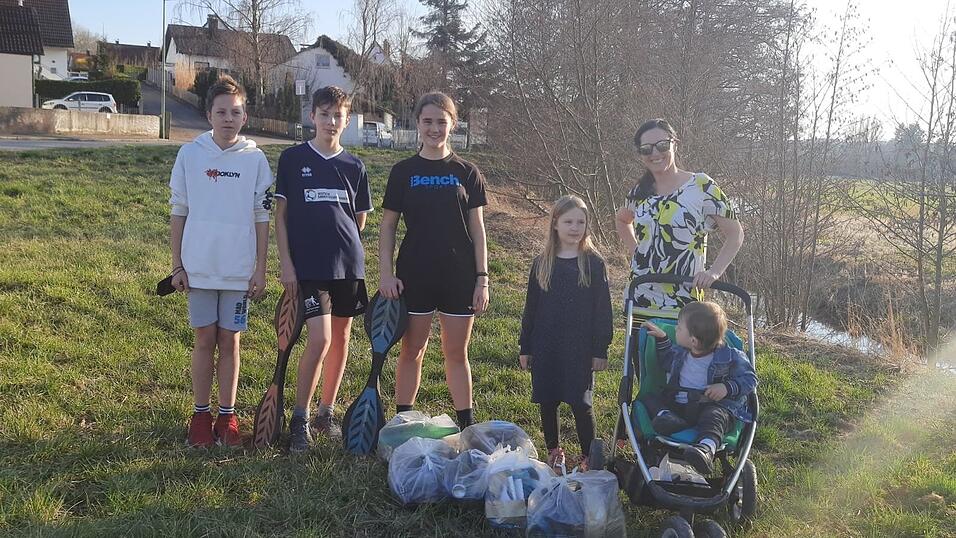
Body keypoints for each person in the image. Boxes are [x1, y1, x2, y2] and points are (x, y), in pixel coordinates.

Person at [169, 75, 273, 447]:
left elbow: (262, 217)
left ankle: (227, 417)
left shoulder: (256, 159)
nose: (228, 118)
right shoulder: (190, 154)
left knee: (230, 341)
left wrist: (260, 268)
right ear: (208, 115)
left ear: (244, 116)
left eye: (236, 112)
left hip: (239, 273)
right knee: (203, 340)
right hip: (198, 269)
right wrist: (177, 265)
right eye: (221, 112)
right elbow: (179, 211)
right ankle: (200, 416)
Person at [379, 91, 489, 429]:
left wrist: (482, 278)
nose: (434, 128)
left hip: (459, 277)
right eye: (428, 121)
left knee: (457, 355)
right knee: (412, 351)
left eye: (442, 122)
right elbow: (387, 228)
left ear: (453, 124)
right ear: (417, 124)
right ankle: (401, 424)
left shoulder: (467, 172)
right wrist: (385, 274)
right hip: (414, 275)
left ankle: (467, 427)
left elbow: (478, 228)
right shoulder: (403, 171)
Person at [274, 86, 372, 452]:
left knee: (342, 339)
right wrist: (287, 264)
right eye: (325, 114)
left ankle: (325, 413)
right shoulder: (292, 159)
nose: (331, 122)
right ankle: (299, 418)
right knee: (321, 339)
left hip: (348, 266)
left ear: (347, 120)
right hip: (309, 269)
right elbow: (280, 217)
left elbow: (358, 221)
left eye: (338, 116)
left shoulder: (354, 166)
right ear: (312, 116)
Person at [519, 195, 613, 471]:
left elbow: (603, 311)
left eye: (580, 222)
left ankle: (588, 455)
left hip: (579, 348)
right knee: (548, 400)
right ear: (555, 224)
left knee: (581, 402)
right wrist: (526, 346)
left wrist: (600, 349)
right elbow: (531, 309)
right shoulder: (542, 263)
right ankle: (554, 450)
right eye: (568, 221)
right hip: (545, 344)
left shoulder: (594, 264)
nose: (575, 227)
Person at [615, 118, 744, 317]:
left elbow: (735, 234)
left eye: (662, 145)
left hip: (685, 303)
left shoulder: (702, 186)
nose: (655, 153)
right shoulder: (639, 191)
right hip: (640, 296)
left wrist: (713, 272)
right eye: (647, 149)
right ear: (641, 154)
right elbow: (622, 220)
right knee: (640, 349)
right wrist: (636, 252)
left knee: (682, 349)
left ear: (674, 143)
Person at [641, 301, 757, 475]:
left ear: (693, 340)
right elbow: (666, 361)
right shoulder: (681, 353)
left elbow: (750, 379)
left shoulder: (731, 357)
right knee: (649, 398)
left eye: (679, 329)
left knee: (715, 417)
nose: (676, 331)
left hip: (711, 406)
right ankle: (668, 417)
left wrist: (726, 387)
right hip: (678, 407)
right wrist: (662, 338)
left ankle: (705, 449)